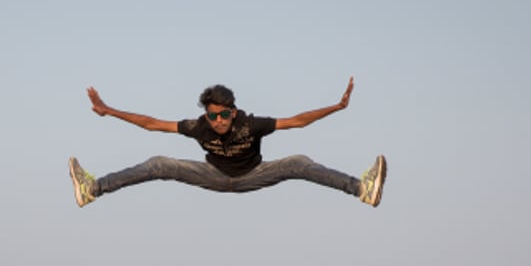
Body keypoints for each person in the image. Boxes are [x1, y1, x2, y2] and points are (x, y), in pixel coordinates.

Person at [68, 77, 386, 209]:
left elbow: (298, 121)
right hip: (214, 176)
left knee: (299, 163)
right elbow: (152, 124)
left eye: (223, 115)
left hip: (253, 176)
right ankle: (92, 190)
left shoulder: (252, 125)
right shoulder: (199, 127)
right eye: (212, 116)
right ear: (206, 115)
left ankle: (361, 189)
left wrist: (337, 106)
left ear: (233, 112)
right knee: (159, 164)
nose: (218, 122)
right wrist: (108, 111)